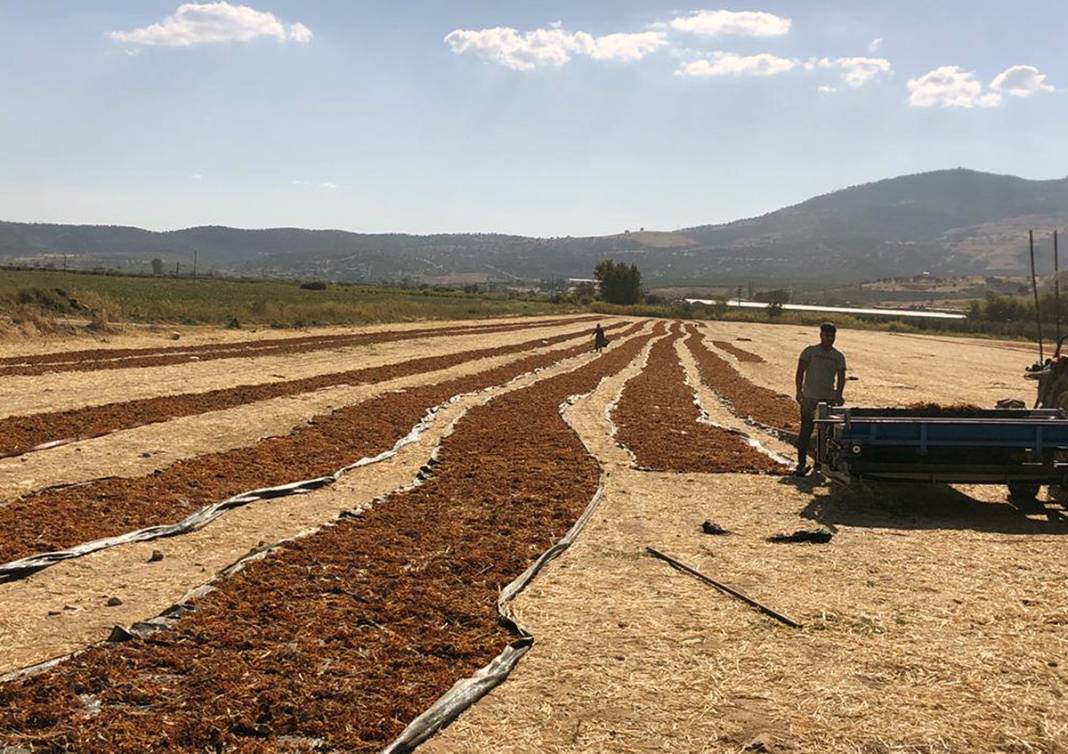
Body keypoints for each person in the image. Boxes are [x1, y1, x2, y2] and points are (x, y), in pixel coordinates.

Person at [794, 322, 846, 476]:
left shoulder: (838, 356)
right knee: (806, 430)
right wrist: (799, 391)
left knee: (825, 433)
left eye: (832, 336)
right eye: (827, 335)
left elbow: (841, 377)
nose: (830, 339)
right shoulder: (810, 352)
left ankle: (820, 463)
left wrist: (838, 394)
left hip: (827, 400)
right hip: (809, 398)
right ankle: (801, 462)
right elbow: (800, 373)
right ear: (821, 335)